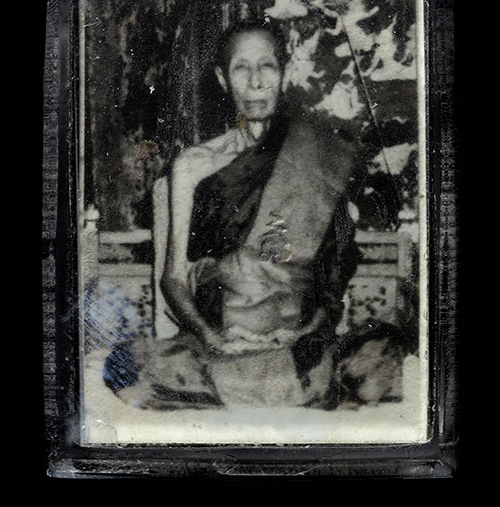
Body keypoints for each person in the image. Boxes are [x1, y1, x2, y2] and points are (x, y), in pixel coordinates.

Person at [104, 21, 395, 410]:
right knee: (123, 367)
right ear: (223, 79)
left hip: (297, 336)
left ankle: (260, 384)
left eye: (267, 66)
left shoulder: (318, 156)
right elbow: (173, 278)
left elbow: (333, 272)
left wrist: (304, 332)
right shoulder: (193, 165)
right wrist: (213, 339)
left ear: (284, 72)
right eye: (241, 68)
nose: (256, 82)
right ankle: (283, 387)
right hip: (223, 334)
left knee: (384, 347)